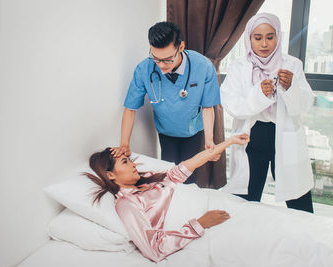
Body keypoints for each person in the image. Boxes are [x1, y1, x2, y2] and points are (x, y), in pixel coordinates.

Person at [85, 134, 249, 262]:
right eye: (125, 162)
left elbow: (189, 164)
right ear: (111, 175)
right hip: (205, 223)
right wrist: (201, 224)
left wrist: (230, 141)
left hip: (214, 204)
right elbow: (153, 249)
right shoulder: (126, 204)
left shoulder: (148, 179)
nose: (133, 164)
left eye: (130, 161)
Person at [220, 12, 314, 213]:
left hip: (285, 135)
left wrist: (291, 88)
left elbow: (305, 105)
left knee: (299, 201)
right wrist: (259, 94)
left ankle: (305, 239)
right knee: (244, 199)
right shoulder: (239, 67)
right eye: (258, 38)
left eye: (270, 37)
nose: (264, 44)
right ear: (249, 39)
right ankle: (243, 238)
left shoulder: (292, 65)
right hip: (252, 137)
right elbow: (231, 104)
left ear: (277, 37)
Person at [111, 21, 221, 184]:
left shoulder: (203, 66)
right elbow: (130, 108)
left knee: (189, 178)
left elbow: (207, 106)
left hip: (193, 132)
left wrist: (209, 140)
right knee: (168, 177)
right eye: (156, 59)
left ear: (181, 47)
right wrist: (124, 143)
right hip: (166, 132)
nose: (161, 65)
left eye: (168, 59)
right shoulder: (144, 69)